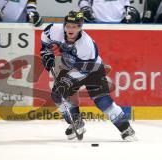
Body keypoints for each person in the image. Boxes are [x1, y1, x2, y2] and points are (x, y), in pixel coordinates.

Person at [40, 10, 137, 141]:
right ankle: (76, 121)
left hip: (93, 69)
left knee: (101, 100)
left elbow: (85, 69)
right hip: (72, 66)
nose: (70, 29)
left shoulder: (86, 45)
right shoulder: (55, 30)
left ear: (80, 27)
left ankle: (126, 128)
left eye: (74, 27)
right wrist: (46, 53)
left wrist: (67, 80)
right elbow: (45, 36)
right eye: (68, 25)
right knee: (57, 94)